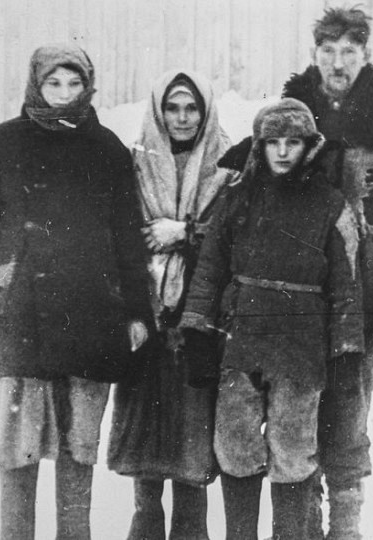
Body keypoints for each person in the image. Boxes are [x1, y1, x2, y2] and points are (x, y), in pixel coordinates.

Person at [0, 43, 153, 540]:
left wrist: (136, 311)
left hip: (91, 312)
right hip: (18, 311)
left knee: (78, 449)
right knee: (17, 451)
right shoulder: (3, 143)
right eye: (53, 84)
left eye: (74, 84)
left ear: (88, 87)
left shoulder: (107, 149)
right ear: (36, 85)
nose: (63, 95)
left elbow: (127, 236)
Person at [178, 98, 364, 540]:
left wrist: (345, 351)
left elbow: (347, 285)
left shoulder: (330, 204)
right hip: (241, 339)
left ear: (309, 147)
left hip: (301, 347)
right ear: (258, 146)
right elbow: (209, 269)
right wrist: (197, 329)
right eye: (273, 142)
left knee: (293, 449)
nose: (282, 151)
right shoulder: (237, 198)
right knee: (235, 446)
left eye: (293, 142)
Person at [280, 6, 373, 539]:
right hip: (302, 281)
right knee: (299, 402)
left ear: (365, 55)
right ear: (313, 54)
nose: (338, 63)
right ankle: (303, 522)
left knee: (350, 404)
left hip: (364, 284)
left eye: (349, 51)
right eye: (329, 51)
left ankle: (346, 524)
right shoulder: (291, 113)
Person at [106, 69, 231, 540]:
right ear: (159, 111)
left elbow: (233, 234)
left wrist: (185, 233)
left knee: (193, 441)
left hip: (201, 315)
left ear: (205, 111)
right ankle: (145, 527)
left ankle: (191, 531)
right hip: (148, 312)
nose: (182, 117)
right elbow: (120, 231)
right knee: (145, 436)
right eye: (172, 107)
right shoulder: (134, 162)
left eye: (191, 108)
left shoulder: (229, 164)